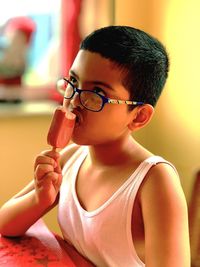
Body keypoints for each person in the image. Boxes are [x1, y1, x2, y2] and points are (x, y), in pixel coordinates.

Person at [0, 26, 190, 266]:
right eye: (74, 81)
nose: (75, 100)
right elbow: (5, 224)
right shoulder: (71, 159)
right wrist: (40, 198)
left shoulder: (154, 182)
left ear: (138, 116)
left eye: (97, 92)